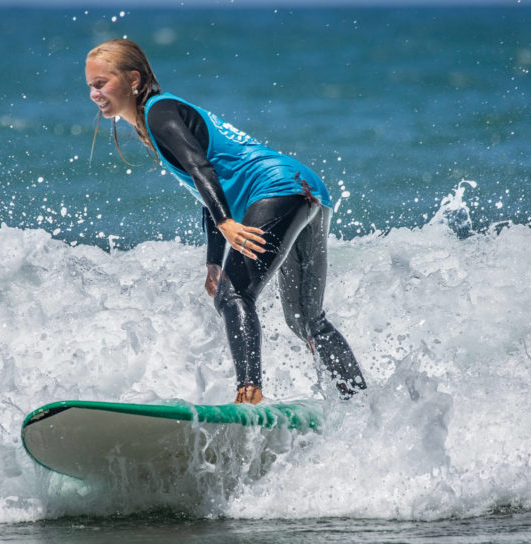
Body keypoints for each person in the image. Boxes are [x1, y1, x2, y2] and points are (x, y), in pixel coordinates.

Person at [85, 39, 366, 403]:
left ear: (133, 79)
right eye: (90, 85)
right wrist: (214, 261)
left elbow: (201, 170)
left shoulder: (159, 112)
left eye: (100, 83)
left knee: (234, 296)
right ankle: (358, 400)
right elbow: (208, 185)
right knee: (305, 320)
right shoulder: (161, 113)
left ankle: (249, 394)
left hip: (277, 188)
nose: (94, 93)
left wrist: (225, 224)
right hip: (307, 190)